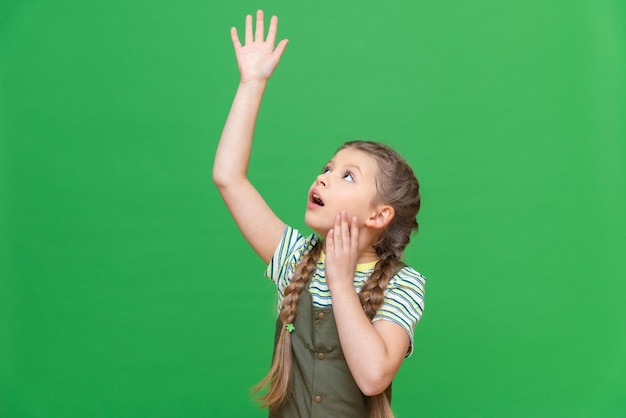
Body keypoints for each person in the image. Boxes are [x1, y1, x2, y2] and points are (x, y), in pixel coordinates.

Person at [213, 10, 426, 418]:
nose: (323, 178)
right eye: (327, 168)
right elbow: (228, 178)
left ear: (380, 215)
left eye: (347, 176)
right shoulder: (293, 256)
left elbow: (372, 377)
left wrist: (341, 283)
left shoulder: (405, 285)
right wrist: (251, 83)